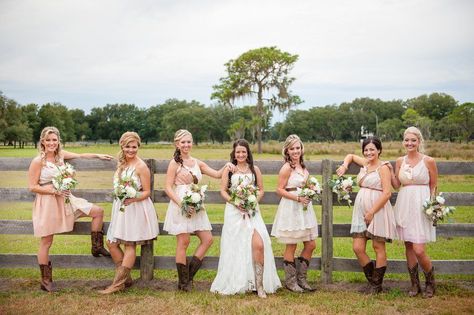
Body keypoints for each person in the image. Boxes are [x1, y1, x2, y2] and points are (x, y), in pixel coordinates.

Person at [28, 126, 112, 292]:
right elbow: (32, 186)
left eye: (54, 139)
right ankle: (46, 281)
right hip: (48, 203)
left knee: (97, 212)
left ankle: (96, 246)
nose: (51, 143)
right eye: (48, 140)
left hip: (66, 200)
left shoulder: (61, 156)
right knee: (46, 241)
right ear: (42, 142)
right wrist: (54, 190)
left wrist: (97, 155)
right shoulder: (38, 161)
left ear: (58, 141)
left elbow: (80, 155)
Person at [163, 129, 234, 291]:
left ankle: (188, 277)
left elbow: (216, 174)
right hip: (180, 203)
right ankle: (183, 283)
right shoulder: (174, 163)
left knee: (208, 239)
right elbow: (167, 187)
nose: (186, 145)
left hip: (197, 203)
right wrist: (182, 204)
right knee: (184, 241)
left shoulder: (197, 163)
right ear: (177, 144)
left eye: (189, 141)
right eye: (183, 142)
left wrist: (227, 166)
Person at [211, 139, 281, 298]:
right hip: (234, 212)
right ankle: (240, 281)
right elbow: (223, 191)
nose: (241, 154)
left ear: (248, 153)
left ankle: (260, 285)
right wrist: (235, 202)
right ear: (234, 154)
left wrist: (253, 201)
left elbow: (261, 190)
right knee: (236, 246)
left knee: (259, 243)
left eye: (243, 151)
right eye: (238, 152)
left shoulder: (254, 169)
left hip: (252, 211)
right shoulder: (229, 169)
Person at [99, 131, 159, 294]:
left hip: (135, 207)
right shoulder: (122, 163)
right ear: (122, 147)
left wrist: (132, 198)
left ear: (138, 147)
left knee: (129, 244)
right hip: (121, 207)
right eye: (128, 147)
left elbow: (146, 192)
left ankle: (117, 284)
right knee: (111, 243)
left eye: (134, 147)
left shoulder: (141, 166)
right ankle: (127, 279)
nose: (131, 150)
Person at [336, 136, 397, 294]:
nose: (369, 152)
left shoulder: (382, 168)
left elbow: (387, 193)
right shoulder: (365, 163)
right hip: (360, 211)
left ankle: (376, 286)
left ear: (379, 150)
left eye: (372, 149)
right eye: (366, 150)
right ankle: (373, 282)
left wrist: (371, 212)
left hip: (378, 210)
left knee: (378, 246)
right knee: (357, 247)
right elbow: (350, 156)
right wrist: (344, 166)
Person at [390, 126, 438, 298]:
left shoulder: (428, 161)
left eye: (413, 140)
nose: (409, 143)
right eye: (407, 140)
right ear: (403, 142)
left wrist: (433, 206)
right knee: (409, 245)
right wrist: (389, 171)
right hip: (405, 203)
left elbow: (433, 184)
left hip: (421, 205)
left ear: (419, 142)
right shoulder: (399, 161)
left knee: (419, 249)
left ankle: (431, 282)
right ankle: (414, 284)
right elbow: (396, 185)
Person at [271, 134, 318, 292]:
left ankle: (301, 279)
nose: (296, 151)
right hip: (292, 207)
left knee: (311, 244)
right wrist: (298, 197)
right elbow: (279, 189)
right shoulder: (287, 167)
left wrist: (311, 189)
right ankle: (291, 282)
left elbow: (306, 183)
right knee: (291, 244)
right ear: (287, 151)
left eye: (298, 148)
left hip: (304, 209)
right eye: (292, 148)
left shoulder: (303, 166)